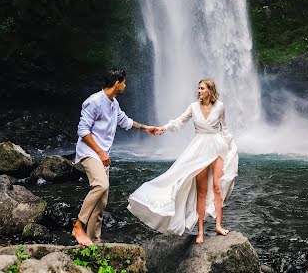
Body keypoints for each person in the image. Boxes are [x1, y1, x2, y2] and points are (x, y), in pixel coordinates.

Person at [128, 78, 238, 244]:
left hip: (218, 147)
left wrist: (231, 148)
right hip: (200, 149)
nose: (199, 91)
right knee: (201, 192)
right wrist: (164, 128)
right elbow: (180, 121)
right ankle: (200, 231)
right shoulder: (193, 107)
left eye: (202, 88)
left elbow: (225, 128)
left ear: (210, 90)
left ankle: (218, 226)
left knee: (217, 187)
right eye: (198, 88)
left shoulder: (220, 106)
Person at [72, 68, 158, 246]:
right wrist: (101, 153)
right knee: (101, 185)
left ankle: (93, 242)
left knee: (101, 202)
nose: (125, 86)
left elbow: (126, 122)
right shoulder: (94, 102)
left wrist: (146, 128)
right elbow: (82, 130)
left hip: (102, 155)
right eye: (124, 82)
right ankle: (78, 226)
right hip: (90, 153)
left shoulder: (114, 103)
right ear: (117, 83)